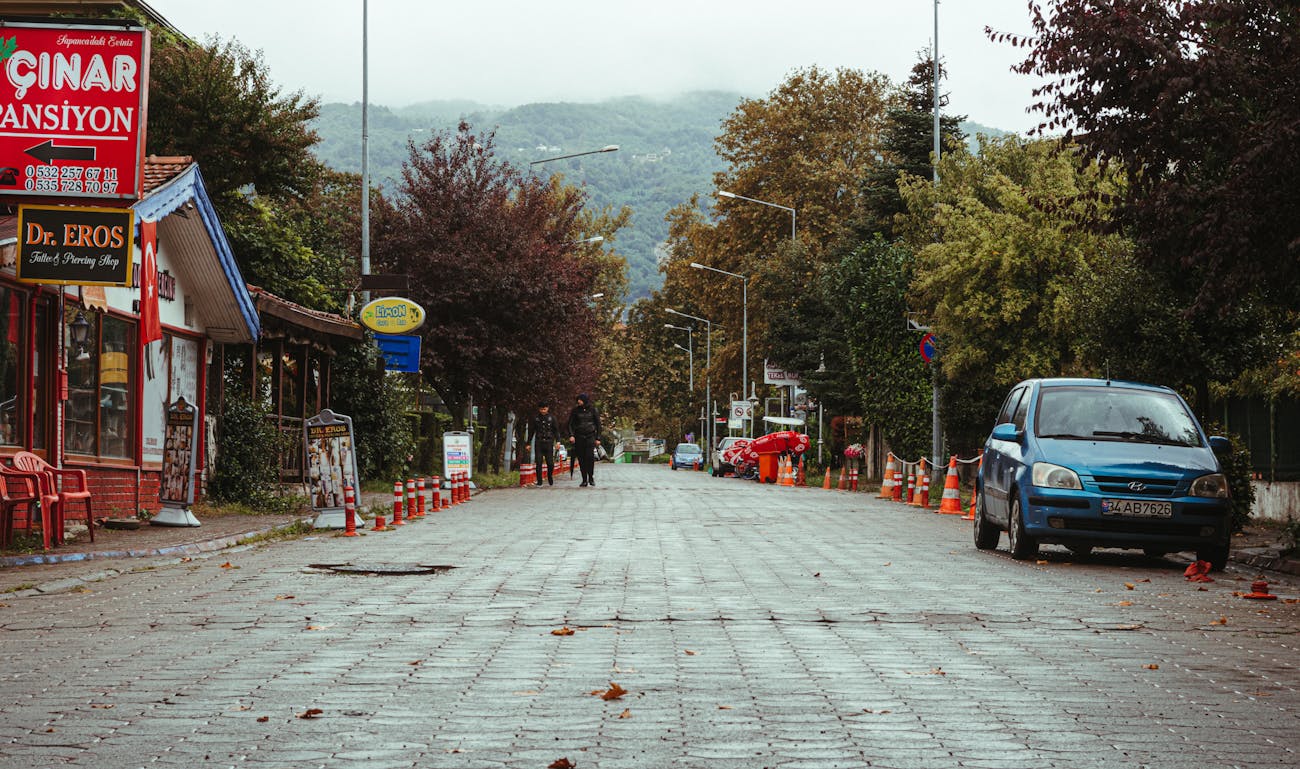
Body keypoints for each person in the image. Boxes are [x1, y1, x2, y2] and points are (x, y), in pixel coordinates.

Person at [567, 393, 602, 487]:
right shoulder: (575, 411)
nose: (579, 401)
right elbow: (570, 424)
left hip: (590, 436)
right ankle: (584, 479)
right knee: (581, 459)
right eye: (578, 400)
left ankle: (591, 477)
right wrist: (571, 435)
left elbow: (598, 424)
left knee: (589, 457)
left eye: (580, 400)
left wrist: (598, 438)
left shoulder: (593, 410)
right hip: (579, 437)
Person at [524, 401, 561, 486]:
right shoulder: (536, 418)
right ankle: (539, 481)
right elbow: (531, 431)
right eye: (541, 409)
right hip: (539, 443)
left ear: (547, 408)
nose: (543, 411)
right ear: (539, 409)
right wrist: (528, 443)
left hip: (549, 442)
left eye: (544, 409)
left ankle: (549, 475)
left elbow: (556, 431)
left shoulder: (552, 418)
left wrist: (558, 442)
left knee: (550, 463)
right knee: (539, 463)